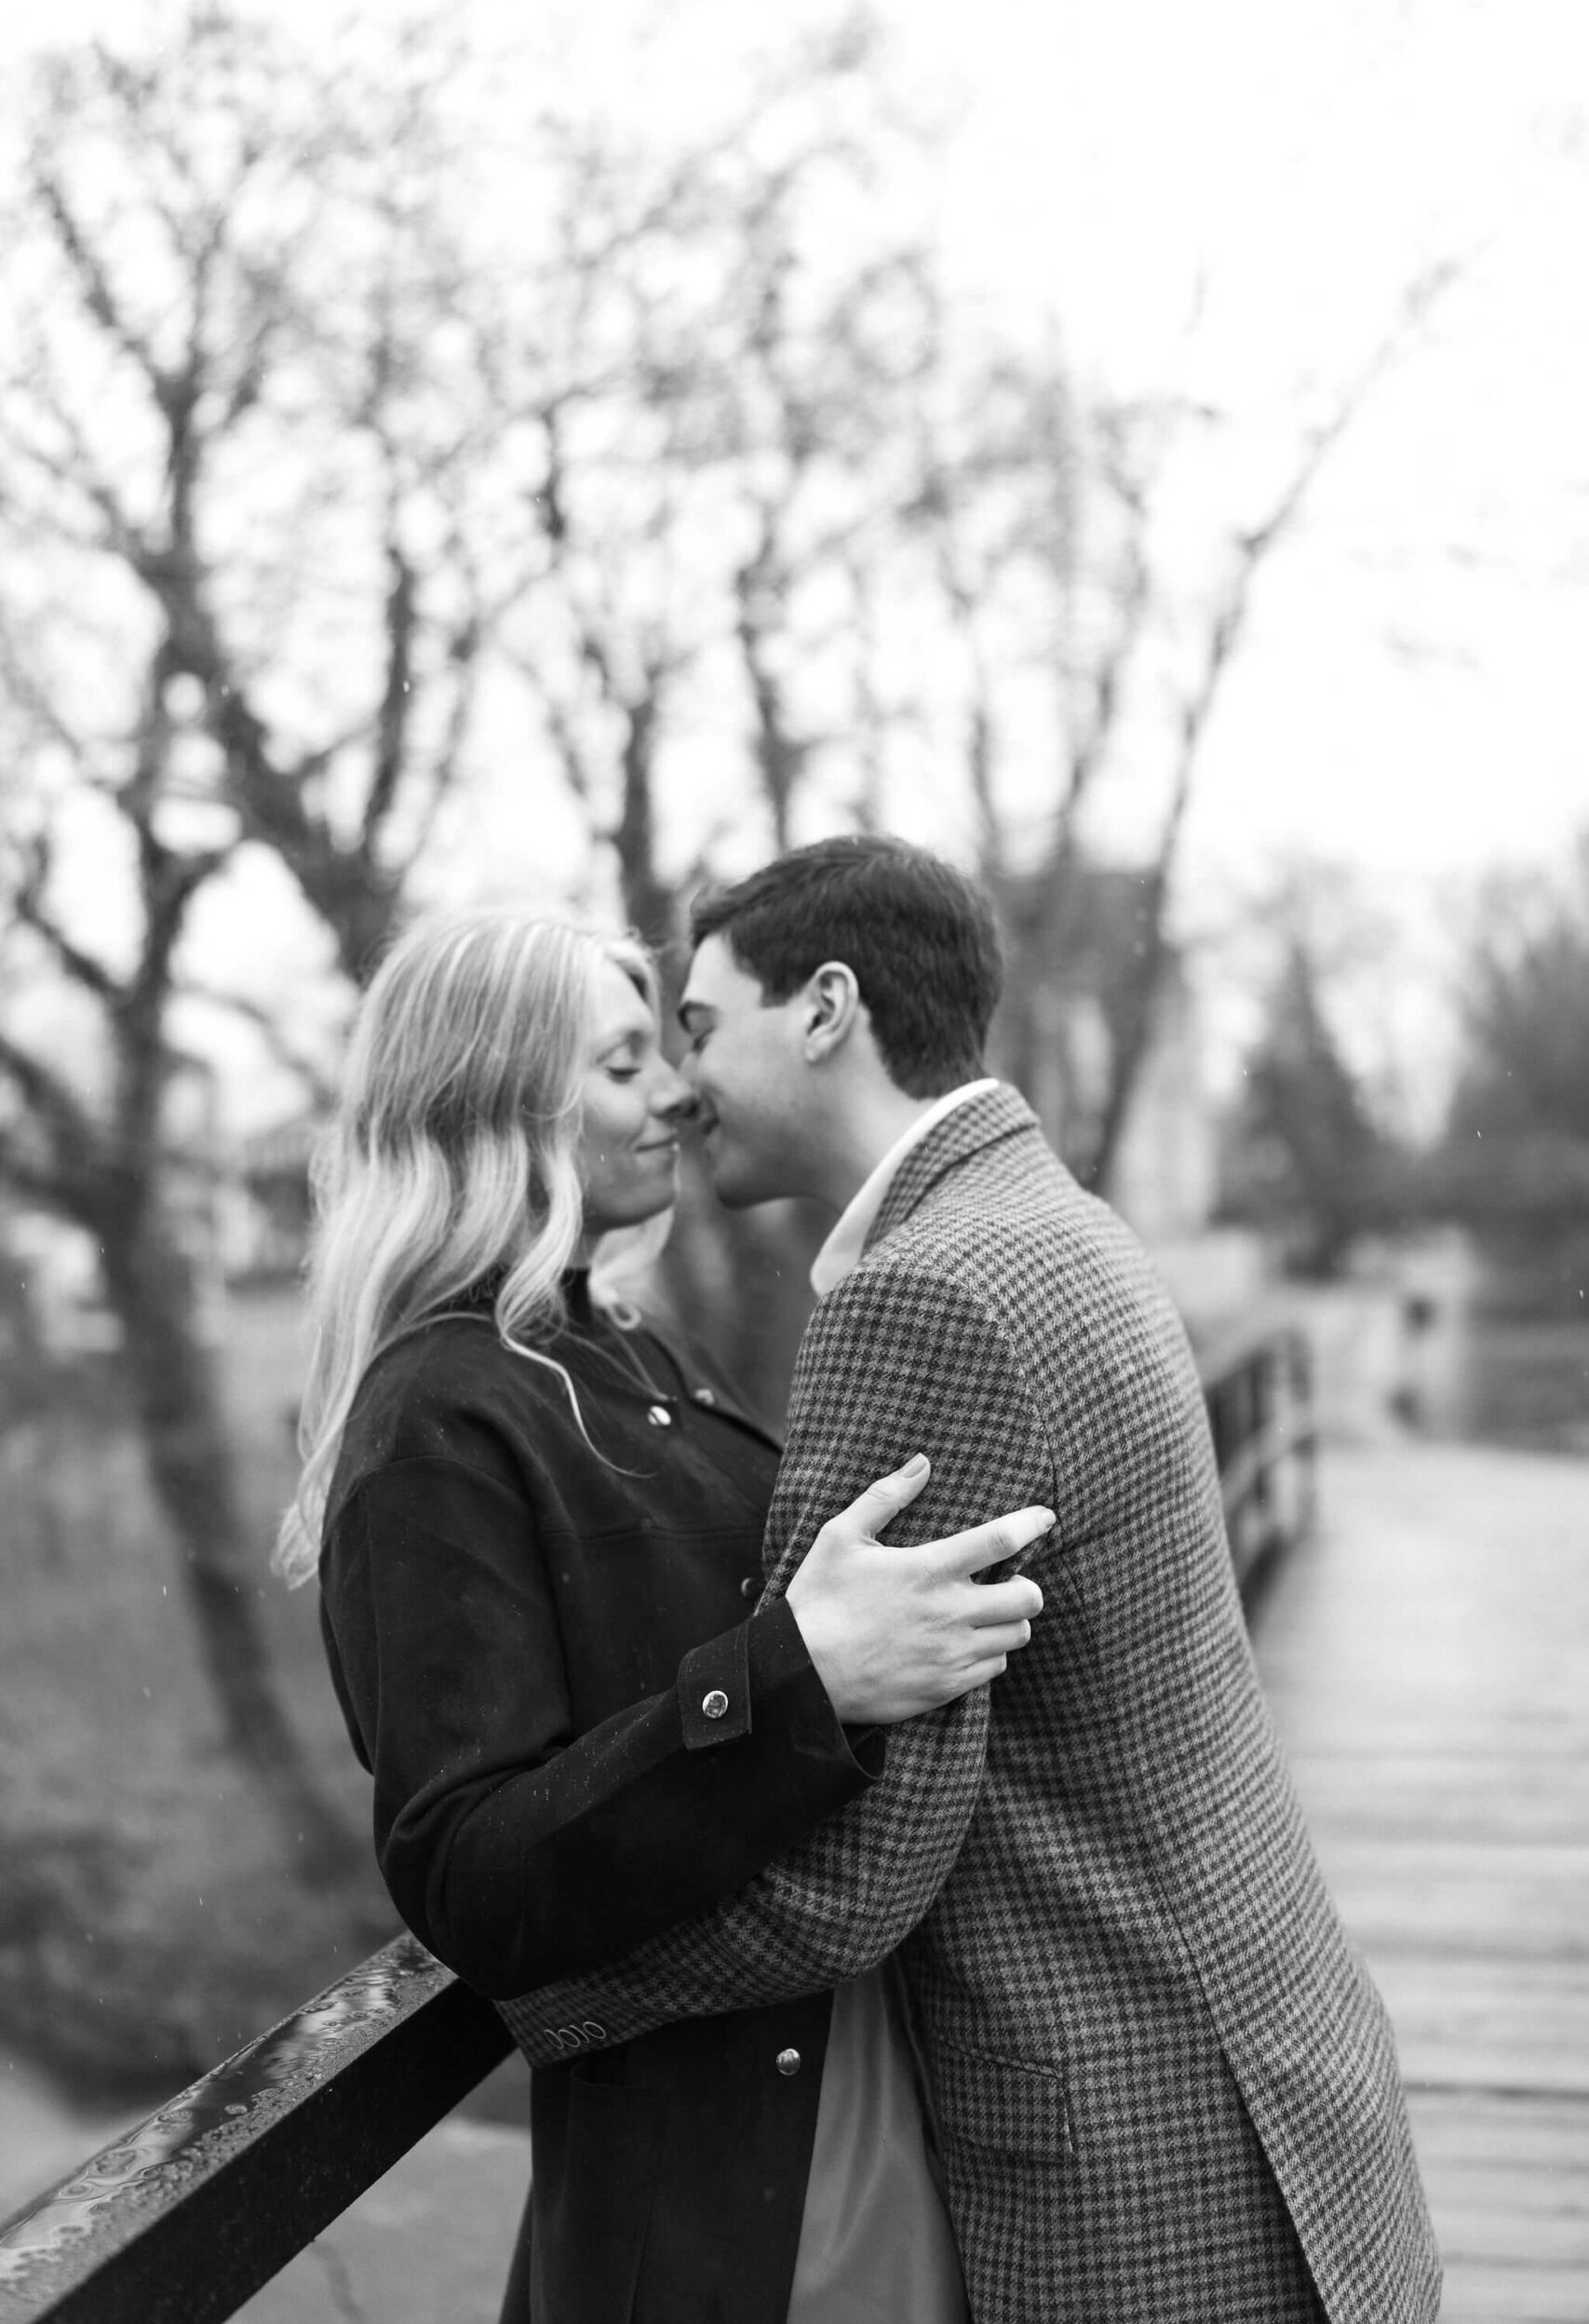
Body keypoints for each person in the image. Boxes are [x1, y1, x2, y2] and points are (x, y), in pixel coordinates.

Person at [495, 836, 1443, 2324]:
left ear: (824, 1008)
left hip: (1138, 2151)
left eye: (697, 1029)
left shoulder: (925, 1295)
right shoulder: (1049, 1218)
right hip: (1265, 2069)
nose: (680, 1089)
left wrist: (533, 1981)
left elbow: (860, 1868)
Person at [277, 910, 1052, 2324]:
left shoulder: (623, 1347)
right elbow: (472, 1869)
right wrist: (796, 1675)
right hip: (724, 2197)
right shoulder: (437, 1419)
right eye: (626, 1064)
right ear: (500, 1100)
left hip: (841, 2096)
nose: (678, 1096)